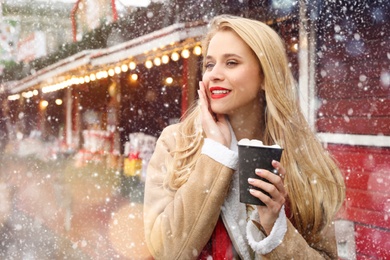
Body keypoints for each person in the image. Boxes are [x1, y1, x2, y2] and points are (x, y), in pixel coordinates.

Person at [143, 14, 345, 259]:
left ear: (264, 76)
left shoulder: (300, 153)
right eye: (209, 64)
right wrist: (216, 153)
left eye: (231, 63)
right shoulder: (175, 143)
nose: (214, 74)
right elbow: (166, 251)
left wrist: (274, 229)